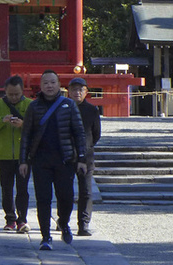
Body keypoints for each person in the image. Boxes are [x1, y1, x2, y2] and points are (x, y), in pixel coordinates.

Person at [18, 70, 88, 251]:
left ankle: (64, 222)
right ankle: (45, 236)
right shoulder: (34, 107)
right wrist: (23, 161)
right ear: (40, 86)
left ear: (59, 85)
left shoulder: (69, 105)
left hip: (65, 159)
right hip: (41, 160)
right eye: (45, 83)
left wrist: (81, 158)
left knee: (66, 197)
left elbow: (79, 133)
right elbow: (26, 135)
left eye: (52, 83)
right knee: (43, 199)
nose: (49, 86)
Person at [0, 75, 33, 234]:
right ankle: (10, 219)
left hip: (24, 156)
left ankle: (22, 219)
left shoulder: (29, 105)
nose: (13, 97)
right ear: (5, 92)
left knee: (22, 189)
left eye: (16, 94)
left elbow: (37, 127)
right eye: (10, 94)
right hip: (4, 154)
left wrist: (22, 124)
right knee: (6, 188)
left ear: (22, 91)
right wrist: (2, 120)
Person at [67, 77, 101, 236]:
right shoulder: (63, 107)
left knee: (86, 192)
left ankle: (83, 224)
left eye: (80, 89)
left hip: (86, 156)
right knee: (64, 191)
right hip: (66, 154)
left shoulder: (92, 110)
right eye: (74, 89)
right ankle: (63, 221)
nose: (77, 92)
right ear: (68, 91)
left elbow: (96, 134)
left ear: (86, 92)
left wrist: (86, 146)